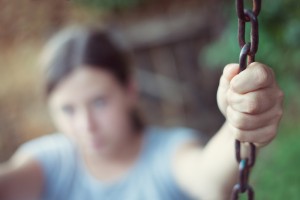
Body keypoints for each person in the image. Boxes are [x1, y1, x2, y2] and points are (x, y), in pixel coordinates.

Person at [0, 26, 283, 200]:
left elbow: (206, 174)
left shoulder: (169, 154)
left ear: (130, 91)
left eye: (99, 102)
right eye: (68, 109)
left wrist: (239, 124)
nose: (86, 125)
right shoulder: (48, 164)